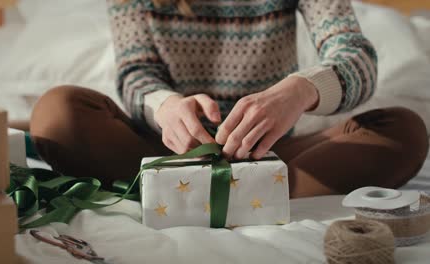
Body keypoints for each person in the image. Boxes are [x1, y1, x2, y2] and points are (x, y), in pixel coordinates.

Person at [30, 0, 428, 198]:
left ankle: (196, 194)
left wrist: (300, 90)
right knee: (56, 113)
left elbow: (355, 55)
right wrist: (166, 107)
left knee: (405, 130)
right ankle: (248, 195)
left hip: (273, 154)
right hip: (163, 153)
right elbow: (136, 73)